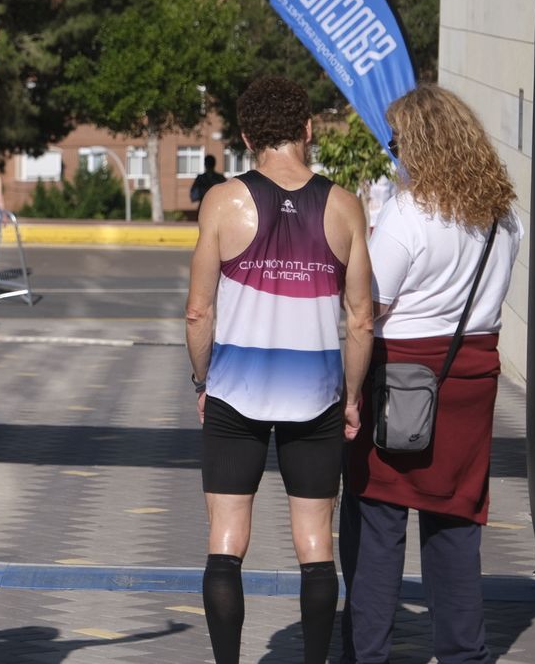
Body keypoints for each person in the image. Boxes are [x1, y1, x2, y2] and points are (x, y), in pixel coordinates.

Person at [184, 75, 374, 664]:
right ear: (308, 129)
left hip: (234, 393)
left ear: (246, 136)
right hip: (316, 396)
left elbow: (198, 310)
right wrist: (352, 395)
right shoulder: (343, 205)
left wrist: (201, 379)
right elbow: (362, 318)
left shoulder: (222, 201)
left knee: (225, 539)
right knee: (316, 544)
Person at [339, 85, 522, 664]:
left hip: (401, 381)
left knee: (376, 524)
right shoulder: (502, 215)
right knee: (456, 524)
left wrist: (346, 390)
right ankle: (464, 653)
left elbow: (369, 308)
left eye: (396, 142)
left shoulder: (407, 214)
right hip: (471, 380)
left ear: (419, 143)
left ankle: (366, 653)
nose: (394, 153)